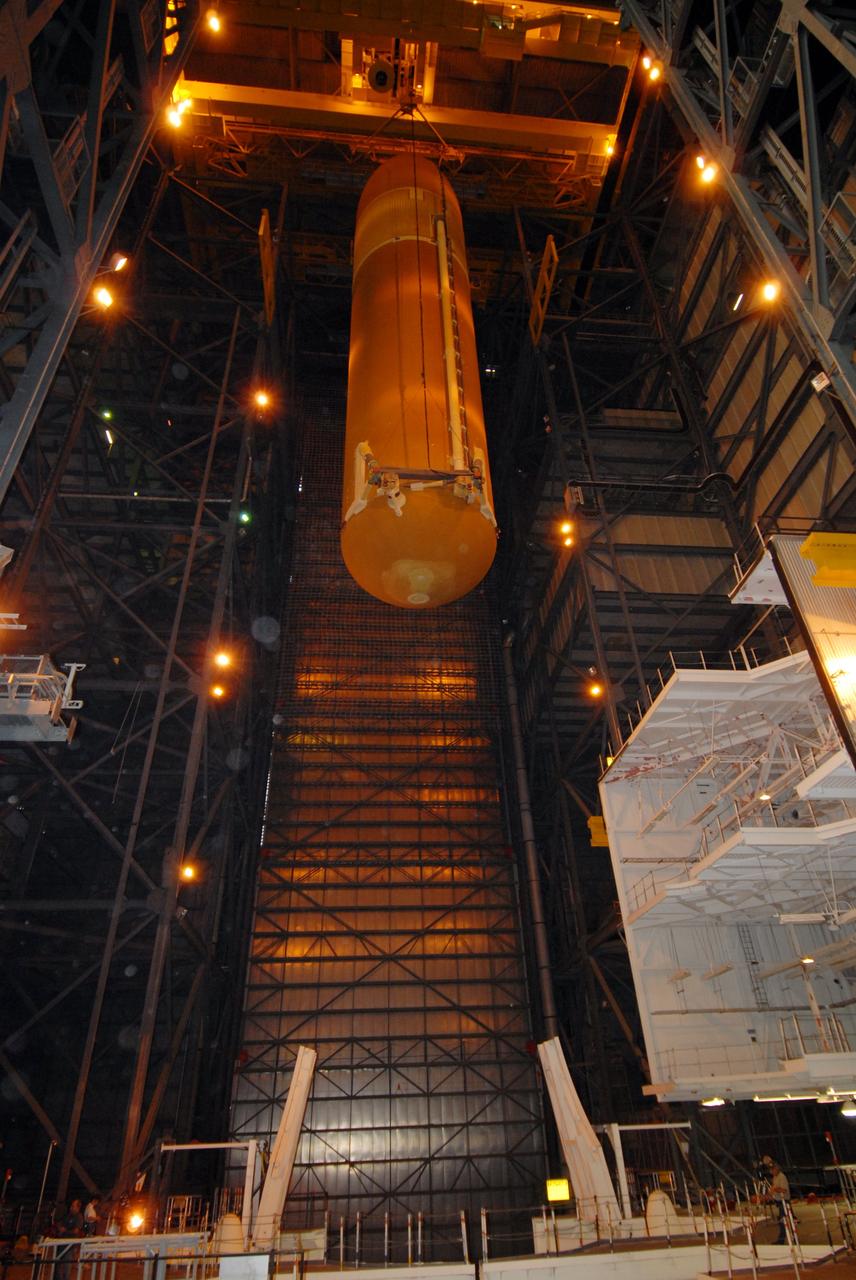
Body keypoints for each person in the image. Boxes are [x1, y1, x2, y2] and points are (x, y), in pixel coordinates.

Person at [761, 1156, 791, 1244]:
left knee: (783, 1221)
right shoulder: (775, 1178)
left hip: (784, 1201)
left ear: (776, 1169)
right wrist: (767, 1196)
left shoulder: (782, 1177)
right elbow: (774, 1191)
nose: (771, 1172)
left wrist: (775, 1189)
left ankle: (781, 1239)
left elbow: (784, 1190)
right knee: (784, 1221)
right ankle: (788, 1236)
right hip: (779, 1202)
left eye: (772, 1170)